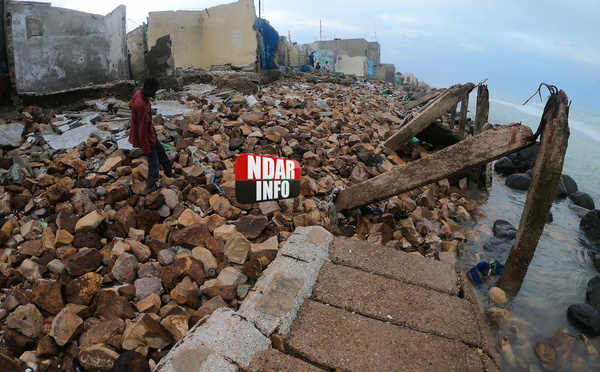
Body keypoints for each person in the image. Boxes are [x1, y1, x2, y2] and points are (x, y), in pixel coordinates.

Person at [129, 78, 179, 192]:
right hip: (145, 138)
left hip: (150, 134)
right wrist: (146, 148)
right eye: (154, 91)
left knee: (162, 154)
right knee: (153, 162)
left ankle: (169, 175)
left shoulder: (139, 94)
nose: (155, 93)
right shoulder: (141, 105)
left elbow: (130, 104)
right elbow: (141, 130)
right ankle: (151, 185)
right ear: (147, 88)